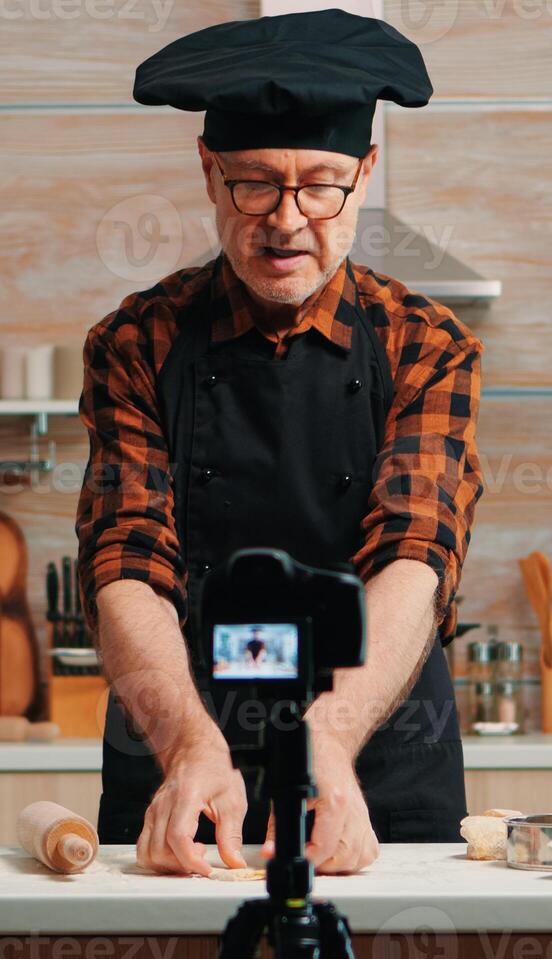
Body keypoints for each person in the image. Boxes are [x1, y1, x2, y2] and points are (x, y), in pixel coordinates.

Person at [76, 9, 485, 878]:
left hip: (379, 753)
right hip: (182, 743)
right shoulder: (135, 342)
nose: (289, 220)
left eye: (322, 183)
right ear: (209, 172)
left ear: (364, 174)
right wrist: (188, 744)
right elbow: (126, 557)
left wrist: (328, 745)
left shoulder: (427, 344)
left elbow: (416, 552)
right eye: (257, 183)